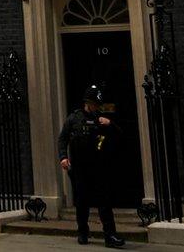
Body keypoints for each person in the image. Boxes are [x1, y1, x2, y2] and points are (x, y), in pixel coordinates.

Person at [58, 85, 125, 247]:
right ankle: (83, 232)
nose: (97, 106)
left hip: (99, 166)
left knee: (104, 201)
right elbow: (63, 138)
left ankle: (110, 236)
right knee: (82, 201)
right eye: (95, 103)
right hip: (80, 167)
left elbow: (119, 135)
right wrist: (63, 157)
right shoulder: (74, 118)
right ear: (88, 102)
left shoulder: (101, 119)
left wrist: (110, 124)